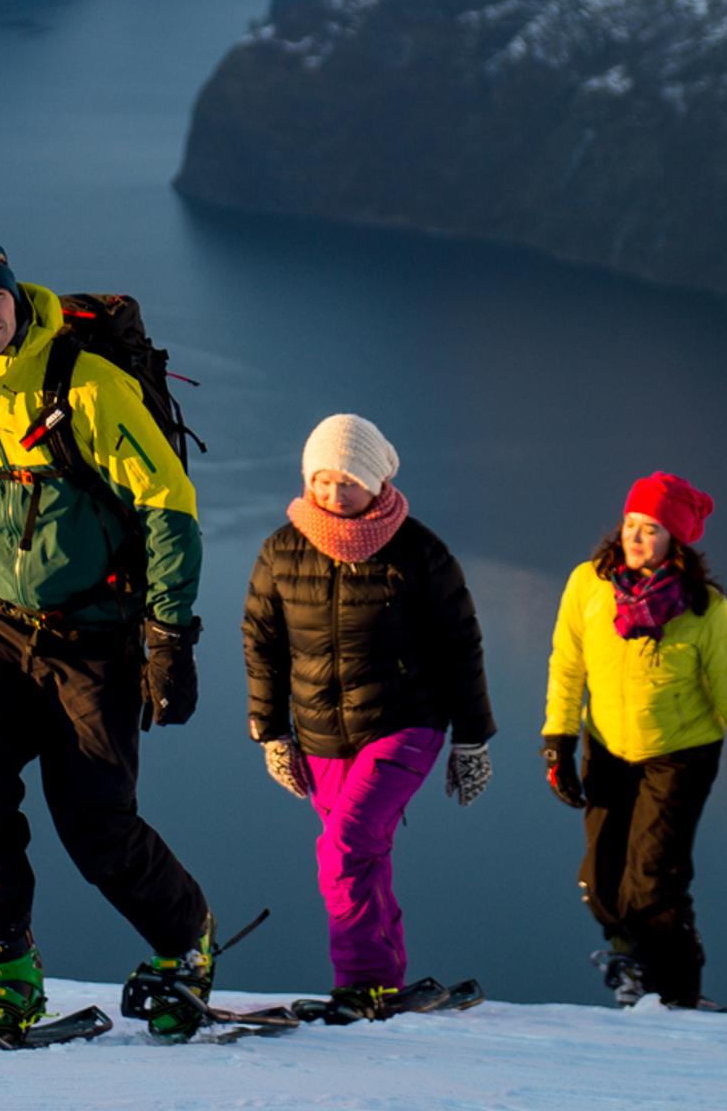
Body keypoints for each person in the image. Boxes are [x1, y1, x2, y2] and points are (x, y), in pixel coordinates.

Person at [0, 237, 214, 1040]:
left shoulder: (87, 386)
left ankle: (186, 947)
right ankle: (9, 978)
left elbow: (170, 509)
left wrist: (170, 637)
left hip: (95, 635)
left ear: (13, 296)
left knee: (97, 823)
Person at [240, 413, 497, 1022]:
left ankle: (360, 982)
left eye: (349, 482)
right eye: (323, 480)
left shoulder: (418, 550)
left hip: (404, 723)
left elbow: (461, 643)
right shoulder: (282, 549)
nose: (334, 495)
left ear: (378, 482)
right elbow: (262, 641)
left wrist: (472, 740)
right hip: (321, 735)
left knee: (346, 848)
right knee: (364, 856)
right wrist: (272, 732)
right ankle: (385, 980)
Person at [541, 471, 727, 1010]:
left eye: (650, 529)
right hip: (607, 746)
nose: (634, 537)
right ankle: (635, 962)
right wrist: (558, 739)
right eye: (630, 523)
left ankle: (677, 994)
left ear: (676, 540)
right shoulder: (588, 584)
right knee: (602, 884)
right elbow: (567, 665)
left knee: (652, 885)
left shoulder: (704, 610)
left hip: (679, 756)